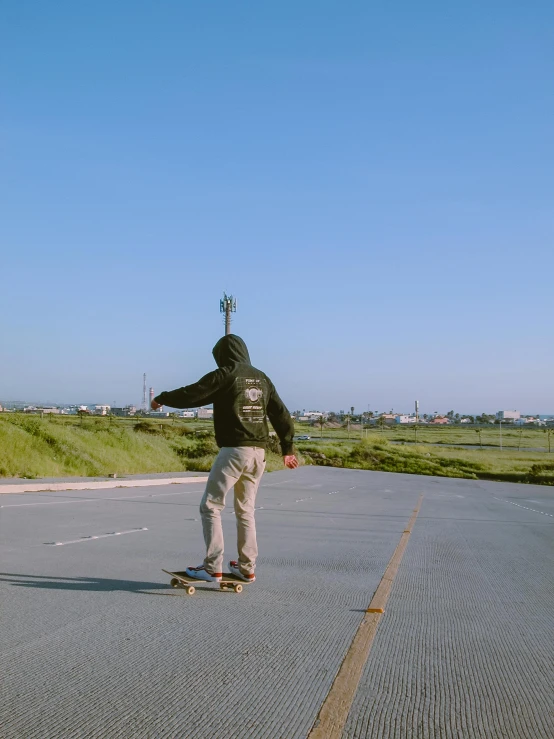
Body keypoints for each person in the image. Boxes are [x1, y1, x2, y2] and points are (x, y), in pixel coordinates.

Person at [152, 334, 298, 584]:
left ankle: (212, 567)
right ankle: (247, 567)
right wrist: (288, 449)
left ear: (222, 355)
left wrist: (162, 398)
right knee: (246, 510)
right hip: (259, 454)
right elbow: (281, 414)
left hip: (234, 451)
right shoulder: (262, 378)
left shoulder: (225, 374)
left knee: (211, 506)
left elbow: (193, 393)